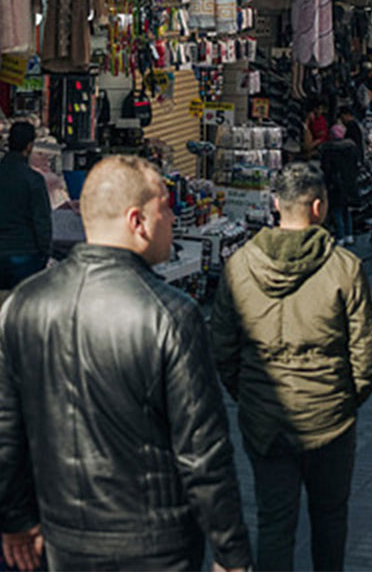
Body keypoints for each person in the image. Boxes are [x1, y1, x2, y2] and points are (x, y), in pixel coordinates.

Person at [0, 155, 251, 571]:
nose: (172, 218)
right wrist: (232, 552)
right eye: (165, 207)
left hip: (59, 535)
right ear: (138, 221)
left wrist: (15, 518)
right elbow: (203, 453)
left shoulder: (24, 303)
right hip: (154, 545)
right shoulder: (171, 314)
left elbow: (7, 429)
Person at [211, 162, 372, 571]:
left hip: (264, 417)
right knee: (329, 520)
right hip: (330, 418)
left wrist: (248, 392)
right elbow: (367, 353)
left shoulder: (239, 266)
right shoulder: (345, 267)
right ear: (319, 207)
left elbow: (223, 347)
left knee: (274, 523)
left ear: (275, 204)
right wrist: (345, 396)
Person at [0, 122, 51, 290]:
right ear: (29, 146)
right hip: (25, 255)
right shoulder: (33, 180)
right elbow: (42, 221)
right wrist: (46, 253)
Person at [320, 122, 361, 246]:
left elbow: (326, 168)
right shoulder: (352, 147)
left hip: (335, 184)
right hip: (349, 183)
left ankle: (340, 235)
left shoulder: (328, 149)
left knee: (337, 210)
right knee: (347, 210)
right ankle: (349, 234)